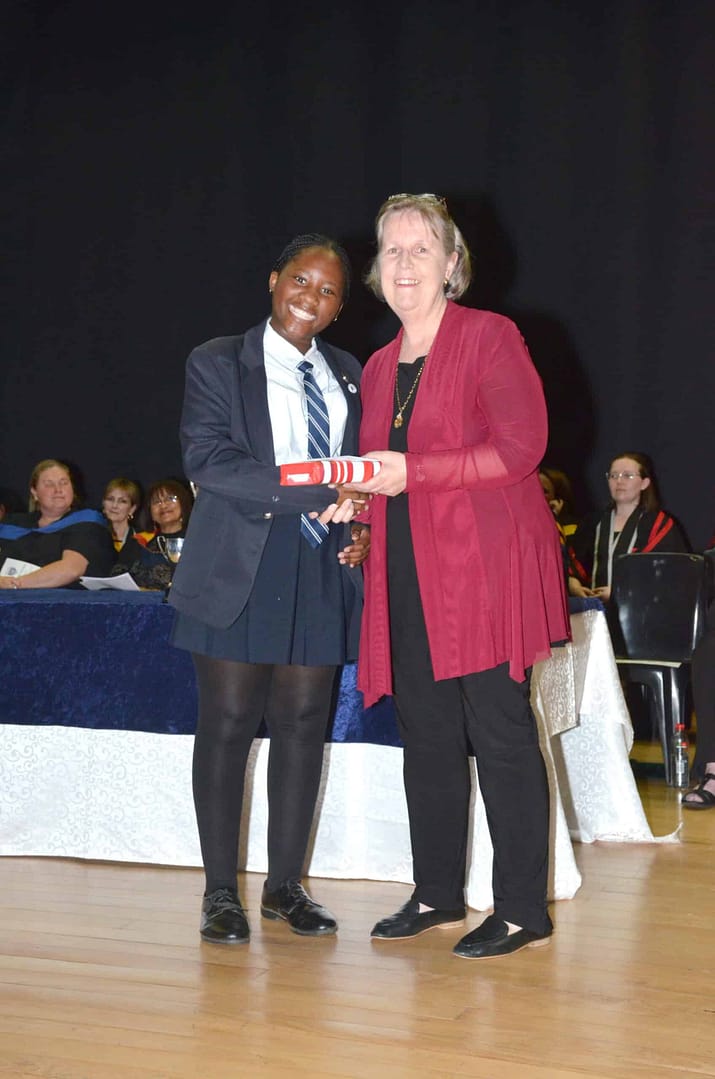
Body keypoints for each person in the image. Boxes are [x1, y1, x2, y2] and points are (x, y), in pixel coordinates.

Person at [348, 194, 570, 960]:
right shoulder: (379, 366)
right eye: (391, 250)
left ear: (451, 263)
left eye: (420, 249)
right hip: (405, 569)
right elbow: (381, 472)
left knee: (499, 732)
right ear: (377, 269)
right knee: (428, 735)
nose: (404, 263)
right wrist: (354, 499)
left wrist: (412, 471)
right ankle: (435, 891)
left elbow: (520, 448)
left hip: (483, 564)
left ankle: (522, 908)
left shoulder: (489, 335)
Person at [169, 234, 368, 945]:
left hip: (320, 565)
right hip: (237, 563)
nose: (310, 298)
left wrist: (364, 522)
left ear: (340, 307)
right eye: (301, 281)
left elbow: (367, 471)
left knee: (304, 725)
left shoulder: (351, 373)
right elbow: (210, 460)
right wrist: (321, 490)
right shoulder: (218, 359)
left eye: (328, 291)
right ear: (274, 279)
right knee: (227, 723)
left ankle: (285, 885)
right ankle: (220, 891)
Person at [570, 452, 689, 603]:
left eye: (627, 475)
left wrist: (620, 591)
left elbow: (670, 575)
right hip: (596, 612)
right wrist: (573, 585)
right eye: (613, 475)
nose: (619, 481)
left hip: (643, 611)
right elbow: (573, 567)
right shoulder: (592, 523)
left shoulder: (660, 525)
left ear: (644, 483)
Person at [0, 459, 115, 589]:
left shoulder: (88, 521)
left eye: (64, 483)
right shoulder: (11, 524)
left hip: (68, 599)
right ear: (34, 492)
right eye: (49, 484)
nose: (58, 489)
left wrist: (15, 584)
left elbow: (71, 570)